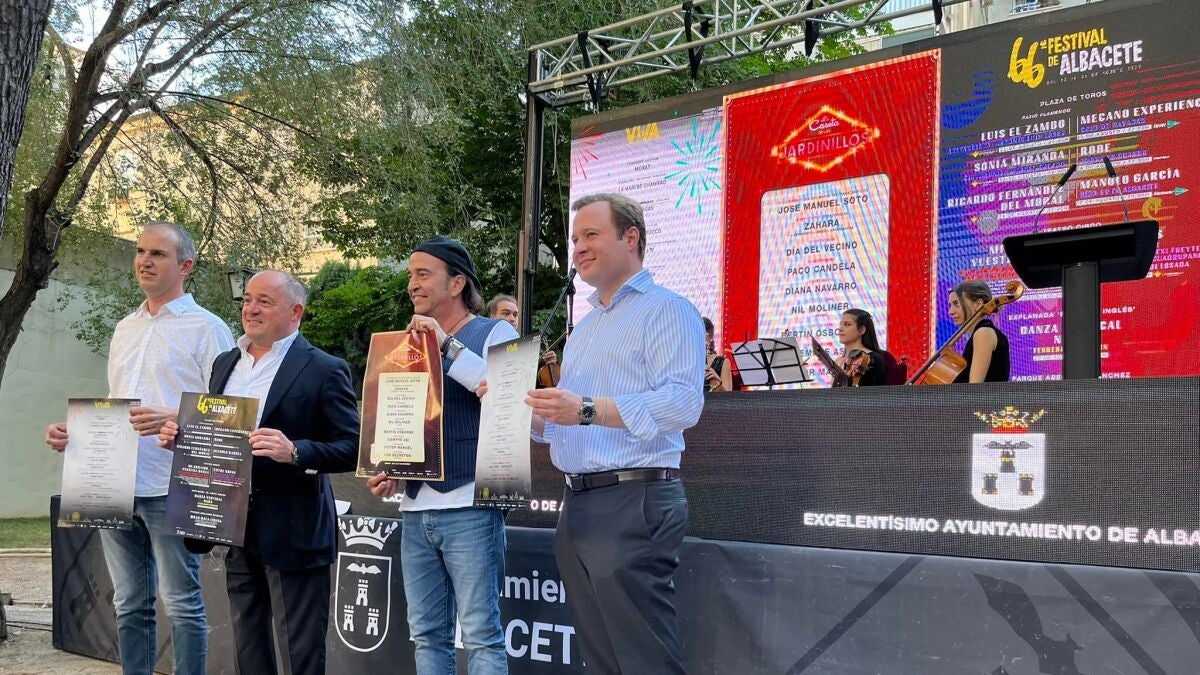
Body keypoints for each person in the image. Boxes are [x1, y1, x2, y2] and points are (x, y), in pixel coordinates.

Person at [525, 193, 705, 674]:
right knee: (602, 658)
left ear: (631, 237)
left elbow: (683, 403)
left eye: (591, 234)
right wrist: (517, 411)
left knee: (642, 659)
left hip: (633, 499)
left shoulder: (667, 310)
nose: (578, 248)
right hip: (578, 502)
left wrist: (585, 409)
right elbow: (567, 426)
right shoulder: (583, 330)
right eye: (574, 239)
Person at [45, 222, 234, 675]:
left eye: (158, 254)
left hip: (173, 483)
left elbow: (228, 412)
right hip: (111, 482)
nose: (144, 261)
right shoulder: (124, 328)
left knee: (182, 602)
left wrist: (175, 416)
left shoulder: (209, 329)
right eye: (140, 251)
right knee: (129, 601)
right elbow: (117, 401)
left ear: (185, 266)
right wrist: (77, 434)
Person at [159, 270, 360, 675]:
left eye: (264, 301)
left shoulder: (324, 368)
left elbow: (353, 448)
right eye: (248, 299)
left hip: (295, 528)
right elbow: (217, 435)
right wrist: (184, 438)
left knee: (300, 653)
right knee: (248, 645)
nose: (250, 308)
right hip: (232, 523)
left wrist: (296, 452)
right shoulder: (225, 363)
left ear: (295, 311)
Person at [367, 235, 516, 675]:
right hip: (415, 508)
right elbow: (408, 420)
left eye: (422, 274)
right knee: (427, 635)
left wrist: (447, 345)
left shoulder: (497, 331)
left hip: (473, 502)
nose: (412, 284)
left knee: (481, 634)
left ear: (456, 283)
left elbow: (507, 396)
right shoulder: (406, 342)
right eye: (410, 275)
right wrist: (392, 468)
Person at [949, 280, 1010, 383]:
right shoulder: (980, 333)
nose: (950, 311)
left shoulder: (983, 333)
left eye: (956, 303)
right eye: (950, 305)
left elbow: (975, 388)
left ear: (978, 304)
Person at [835, 309, 888, 387]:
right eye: (840, 324)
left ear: (861, 330)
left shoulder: (874, 359)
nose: (840, 329)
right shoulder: (838, 361)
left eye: (847, 325)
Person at [702, 317, 732, 392]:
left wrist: (718, 383)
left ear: (710, 337)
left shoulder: (723, 362)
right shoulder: (689, 362)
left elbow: (729, 397)